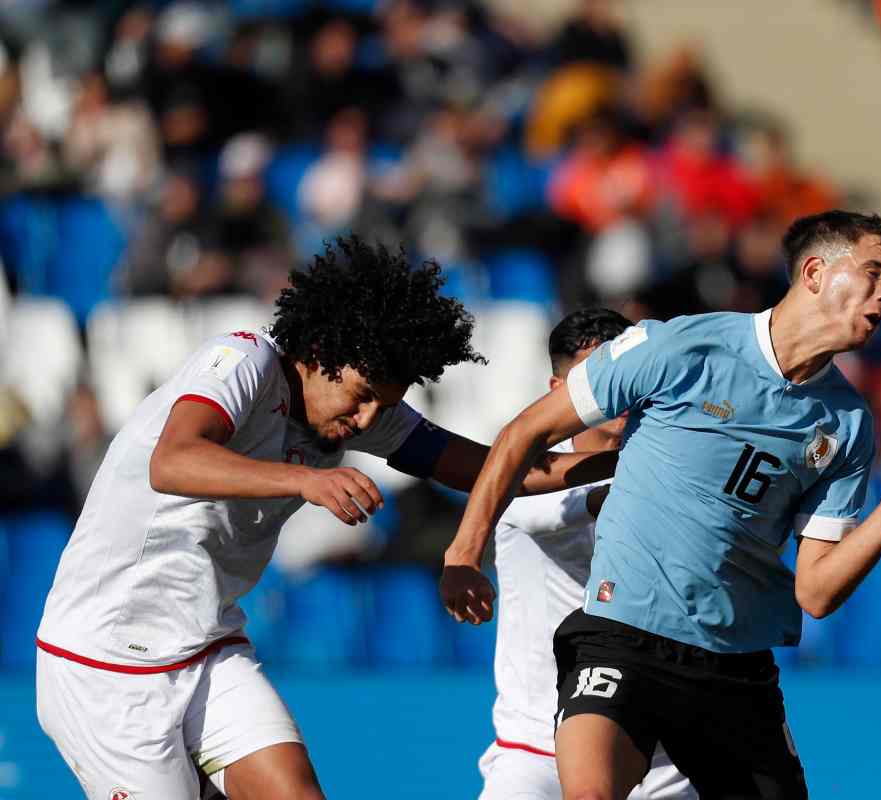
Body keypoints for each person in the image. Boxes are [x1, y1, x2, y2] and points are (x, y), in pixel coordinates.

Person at [34, 235, 614, 800]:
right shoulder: (242, 360)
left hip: (205, 649)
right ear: (318, 354)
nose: (366, 420)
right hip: (101, 663)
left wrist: (629, 463)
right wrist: (306, 479)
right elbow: (173, 460)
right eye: (361, 395)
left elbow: (498, 468)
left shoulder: (360, 408)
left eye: (383, 405)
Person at [440, 210, 881, 799]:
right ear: (815, 271)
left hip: (734, 669)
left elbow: (816, 592)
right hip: (622, 635)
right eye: (874, 274)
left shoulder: (846, 424)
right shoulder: (684, 346)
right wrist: (464, 551)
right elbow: (523, 433)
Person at [478, 308, 694, 800]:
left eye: (625, 376)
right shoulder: (519, 470)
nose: (614, 392)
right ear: (558, 390)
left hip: (658, 760)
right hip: (536, 753)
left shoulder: (680, 461)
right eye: (596, 379)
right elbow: (537, 511)